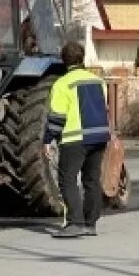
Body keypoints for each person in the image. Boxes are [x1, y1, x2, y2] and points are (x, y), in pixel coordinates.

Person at [43, 41, 111, 238]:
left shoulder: (62, 84)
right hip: (99, 137)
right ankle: (90, 224)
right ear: (82, 58)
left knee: (67, 180)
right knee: (92, 180)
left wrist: (48, 140)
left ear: (64, 61)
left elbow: (57, 118)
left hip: (75, 139)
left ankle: (75, 223)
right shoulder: (98, 81)